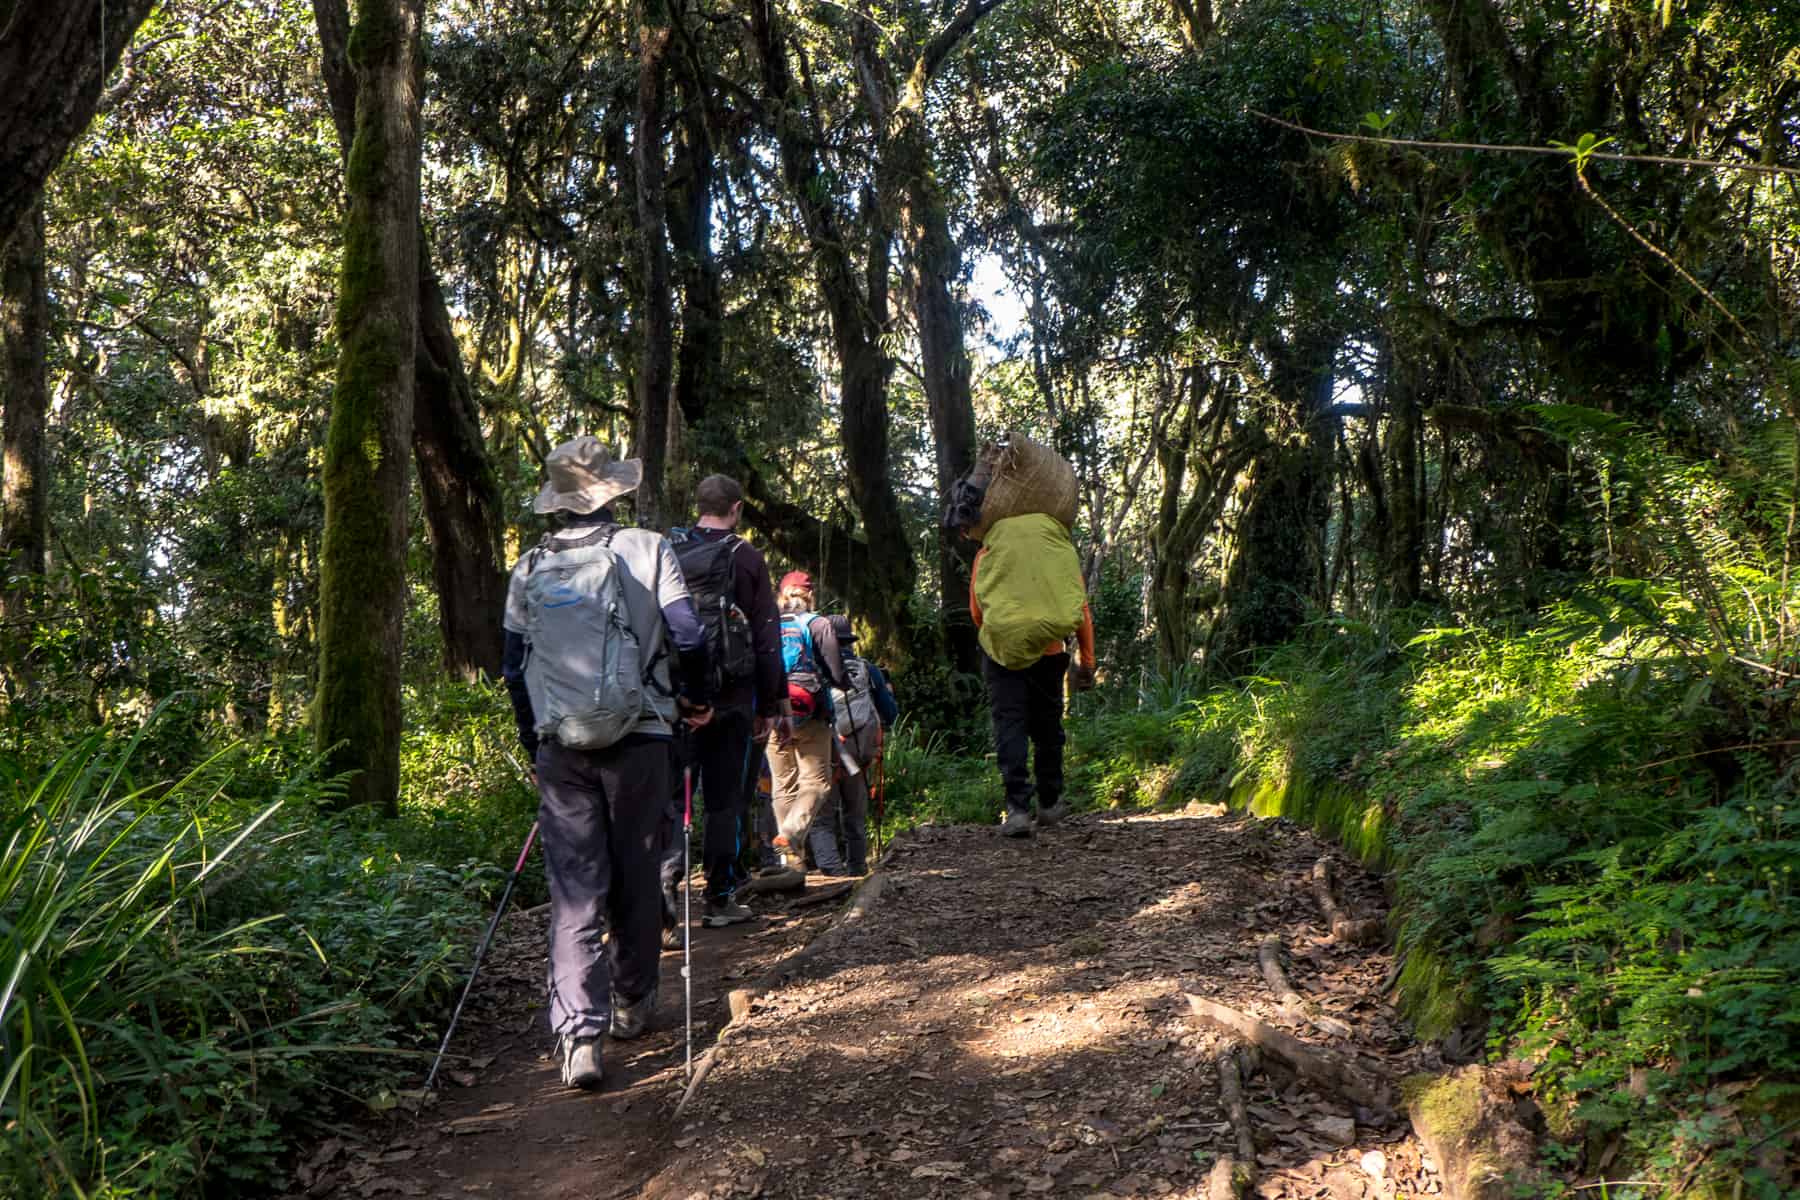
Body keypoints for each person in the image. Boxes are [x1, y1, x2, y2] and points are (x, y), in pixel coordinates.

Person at [499, 436, 714, 1092]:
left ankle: (579, 1035)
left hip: (561, 746)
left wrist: (534, 739)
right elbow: (687, 633)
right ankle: (632, 1001)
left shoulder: (530, 566)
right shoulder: (649, 549)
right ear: (611, 491)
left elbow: (513, 665)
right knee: (636, 872)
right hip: (642, 737)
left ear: (560, 500)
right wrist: (696, 700)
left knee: (574, 889)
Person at [659, 474, 791, 932]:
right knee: (724, 803)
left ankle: (663, 898)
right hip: (733, 699)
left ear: (698, 506)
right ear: (736, 508)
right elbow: (766, 634)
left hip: (676, 699)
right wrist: (773, 702)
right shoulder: (747, 556)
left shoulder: (667, 550)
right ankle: (719, 898)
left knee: (673, 799)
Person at [967, 514, 1096, 838]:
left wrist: (1005, 637)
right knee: (1048, 729)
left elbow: (977, 611)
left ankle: (1018, 810)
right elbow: (1079, 609)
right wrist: (1088, 660)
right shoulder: (1058, 551)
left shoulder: (988, 552)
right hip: (1049, 652)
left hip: (1001, 656)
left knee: (1010, 727)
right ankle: (1050, 804)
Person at [768, 572, 851, 878]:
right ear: (809, 594)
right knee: (816, 782)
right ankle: (789, 835)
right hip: (810, 712)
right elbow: (836, 673)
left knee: (783, 785)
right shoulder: (818, 623)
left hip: (774, 713)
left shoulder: (769, 623)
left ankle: (791, 865)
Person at [811, 614, 897, 876]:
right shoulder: (867, 669)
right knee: (855, 816)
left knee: (822, 820)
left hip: (826, 754)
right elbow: (891, 713)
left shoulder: (815, 669)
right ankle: (857, 869)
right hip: (859, 755)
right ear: (850, 640)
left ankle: (831, 872)